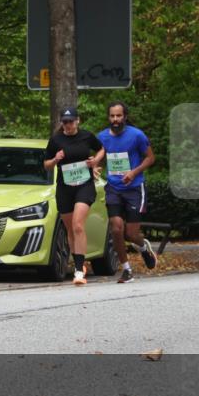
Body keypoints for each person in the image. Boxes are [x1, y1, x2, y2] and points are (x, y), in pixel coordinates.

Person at [96, 101, 158, 283]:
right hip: (114, 188)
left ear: (125, 117)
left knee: (131, 234)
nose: (115, 119)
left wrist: (133, 173)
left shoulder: (136, 135)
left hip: (134, 188)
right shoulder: (102, 137)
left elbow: (150, 158)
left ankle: (143, 247)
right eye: (112, 116)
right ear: (108, 117)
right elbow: (100, 157)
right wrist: (96, 167)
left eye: (119, 115)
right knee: (116, 228)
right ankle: (126, 269)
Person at [43, 108, 105, 286]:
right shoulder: (56, 140)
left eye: (71, 121)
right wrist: (55, 159)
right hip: (65, 187)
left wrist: (95, 161)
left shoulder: (86, 136)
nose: (68, 125)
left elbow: (102, 149)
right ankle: (80, 263)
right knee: (70, 229)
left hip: (84, 185)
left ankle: (78, 271)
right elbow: (46, 165)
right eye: (65, 122)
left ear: (78, 121)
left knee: (78, 225)